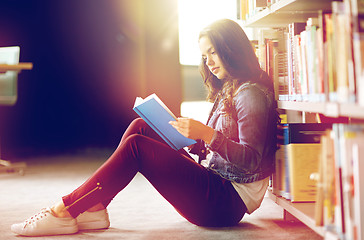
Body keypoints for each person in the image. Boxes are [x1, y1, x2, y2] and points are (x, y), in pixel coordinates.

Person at [11, 19, 279, 236]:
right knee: (142, 126)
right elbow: (220, 149)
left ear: (231, 48)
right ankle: (95, 207)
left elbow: (251, 160)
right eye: (204, 54)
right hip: (219, 186)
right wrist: (189, 137)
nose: (208, 61)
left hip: (225, 203)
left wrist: (207, 134)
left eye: (213, 51)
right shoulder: (232, 87)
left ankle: (65, 210)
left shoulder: (250, 94)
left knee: (136, 147)